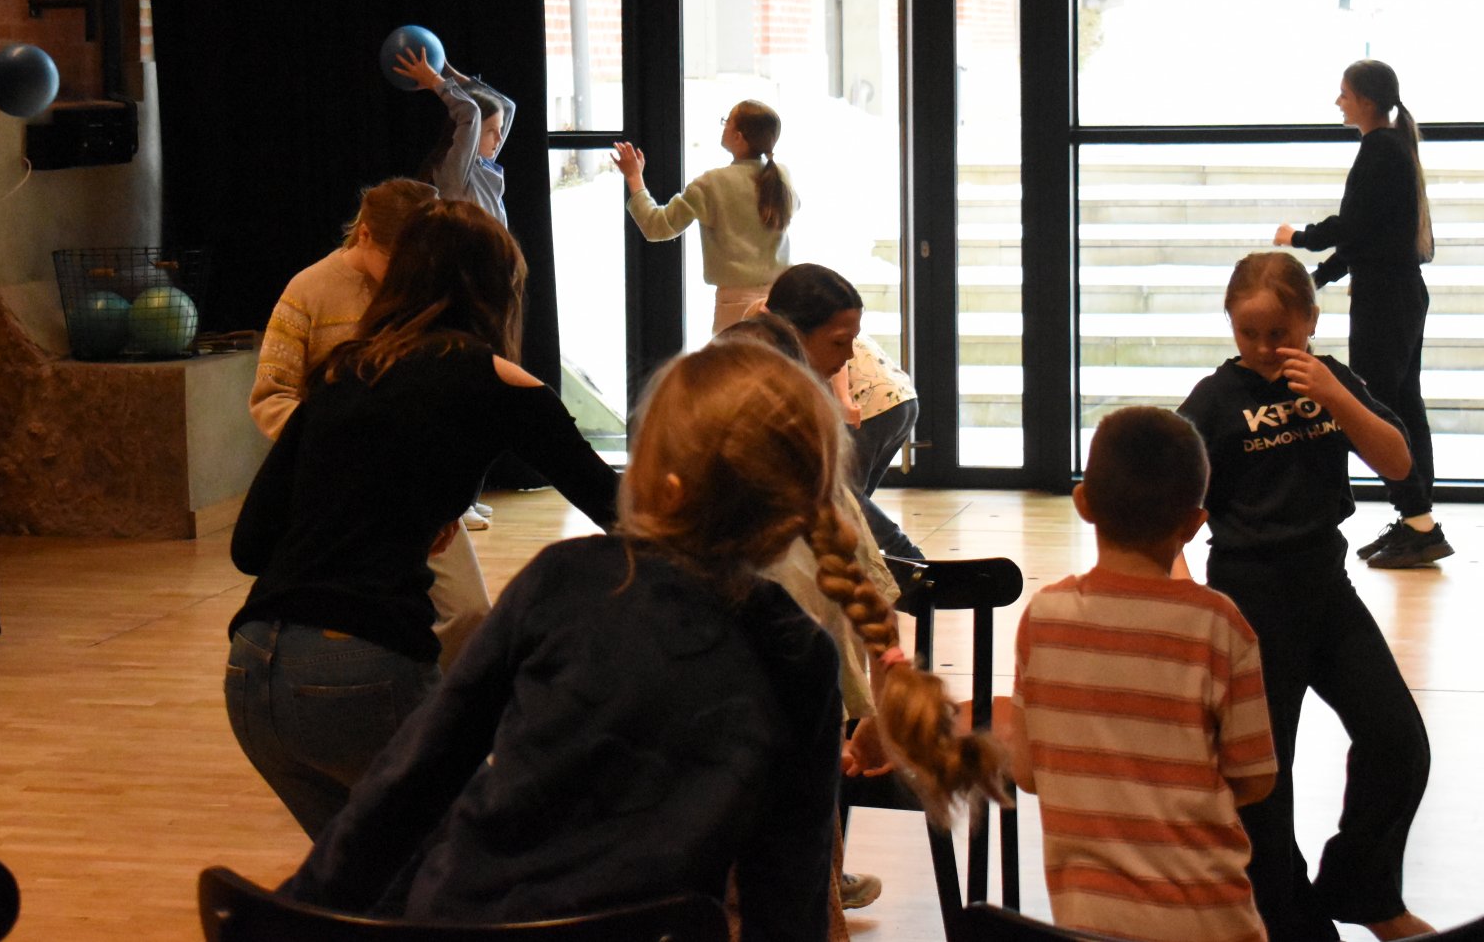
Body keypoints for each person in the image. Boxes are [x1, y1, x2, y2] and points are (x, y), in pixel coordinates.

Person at [282, 339, 1005, 938]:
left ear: (658, 477)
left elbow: (412, 778)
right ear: (799, 506)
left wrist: (289, 911)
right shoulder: (797, 653)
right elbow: (786, 895)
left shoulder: (561, 580)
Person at [225, 199, 616, 839]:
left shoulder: (340, 373)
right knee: (473, 859)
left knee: (367, 879)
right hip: (358, 667)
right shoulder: (500, 384)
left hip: (250, 672)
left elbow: (250, 545)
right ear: (496, 292)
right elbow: (617, 509)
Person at [1178, 252, 1431, 942]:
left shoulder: (1331, 380)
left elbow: (1398, 461)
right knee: (1266, 777)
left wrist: (1335, 395)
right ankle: (1290, 922)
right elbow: (1171, 498)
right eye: (1249, 333)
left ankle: (1361, 888)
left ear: (1311, 322)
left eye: (1279, 334)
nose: (1264, 349)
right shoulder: (1214, 400)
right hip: (1250, 597)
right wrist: (1175, 587)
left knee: (1397, 741)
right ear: (1231, 326)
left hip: (1326, 588)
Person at [986, 407, 1276, 942]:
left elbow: (1026, 773)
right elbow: (1255, 777)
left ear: (1083, 503)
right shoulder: (1219, 625)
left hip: (1088, 925)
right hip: (1211, 922)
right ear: (1194, 524)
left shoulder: (1044, 618)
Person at [247, 177, 491, 667]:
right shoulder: (309, 290)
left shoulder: (425, 289)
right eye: (399, 258)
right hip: (332, 498)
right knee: (349, 623)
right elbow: (272, 395)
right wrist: (335, 444)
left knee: (469, 612)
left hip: (415, 489)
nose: (410, 271)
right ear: (363, 235)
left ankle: (431, 703)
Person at [714, 312, 899, 927]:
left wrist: (878, 713)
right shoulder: (826, 499)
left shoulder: (688, 508)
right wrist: (878, 711)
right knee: (799, 900)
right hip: (788, 739)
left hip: (757, 744)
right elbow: (879, 610)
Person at [1274, 59, 1447, 568]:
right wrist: (1318, 279)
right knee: (1402, 404)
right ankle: (1418, 521)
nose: (1338, 102)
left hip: (1385, 301)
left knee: (1375, 410)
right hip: (1397, 295)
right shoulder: (1391, 147)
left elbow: (1350, 227)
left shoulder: (1380, 150)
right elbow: (1366, 235)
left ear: (1366, 101)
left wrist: (1298, 238)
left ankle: (1419, 521)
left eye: (1344, 94)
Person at [763, 264, 923, 560]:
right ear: (792, 330)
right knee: (845, 496)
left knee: (844, 495)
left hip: (877, 404)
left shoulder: (802, 359)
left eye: (852, 340)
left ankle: (901, 555)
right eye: (839, 342)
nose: (849, 353)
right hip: (900, 400)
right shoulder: (767, 362)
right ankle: (897, 556)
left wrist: (844, 402)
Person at [611, 100, 797, 333]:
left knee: (732, 359)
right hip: (782, 301)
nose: (724, 126)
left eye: (727, 121)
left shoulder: (712, 184)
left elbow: (657, 226)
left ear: (738, 136)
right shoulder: (781, 176)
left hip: (735, 307)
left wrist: (634, 177)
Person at [393, 44, 515, 229]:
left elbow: (507, 107)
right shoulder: (455, 172)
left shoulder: (481, 164)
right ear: (473, 132)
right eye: (491, 131)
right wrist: (434, 80)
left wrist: (446, 70)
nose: (499, 138)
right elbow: (470, 112)